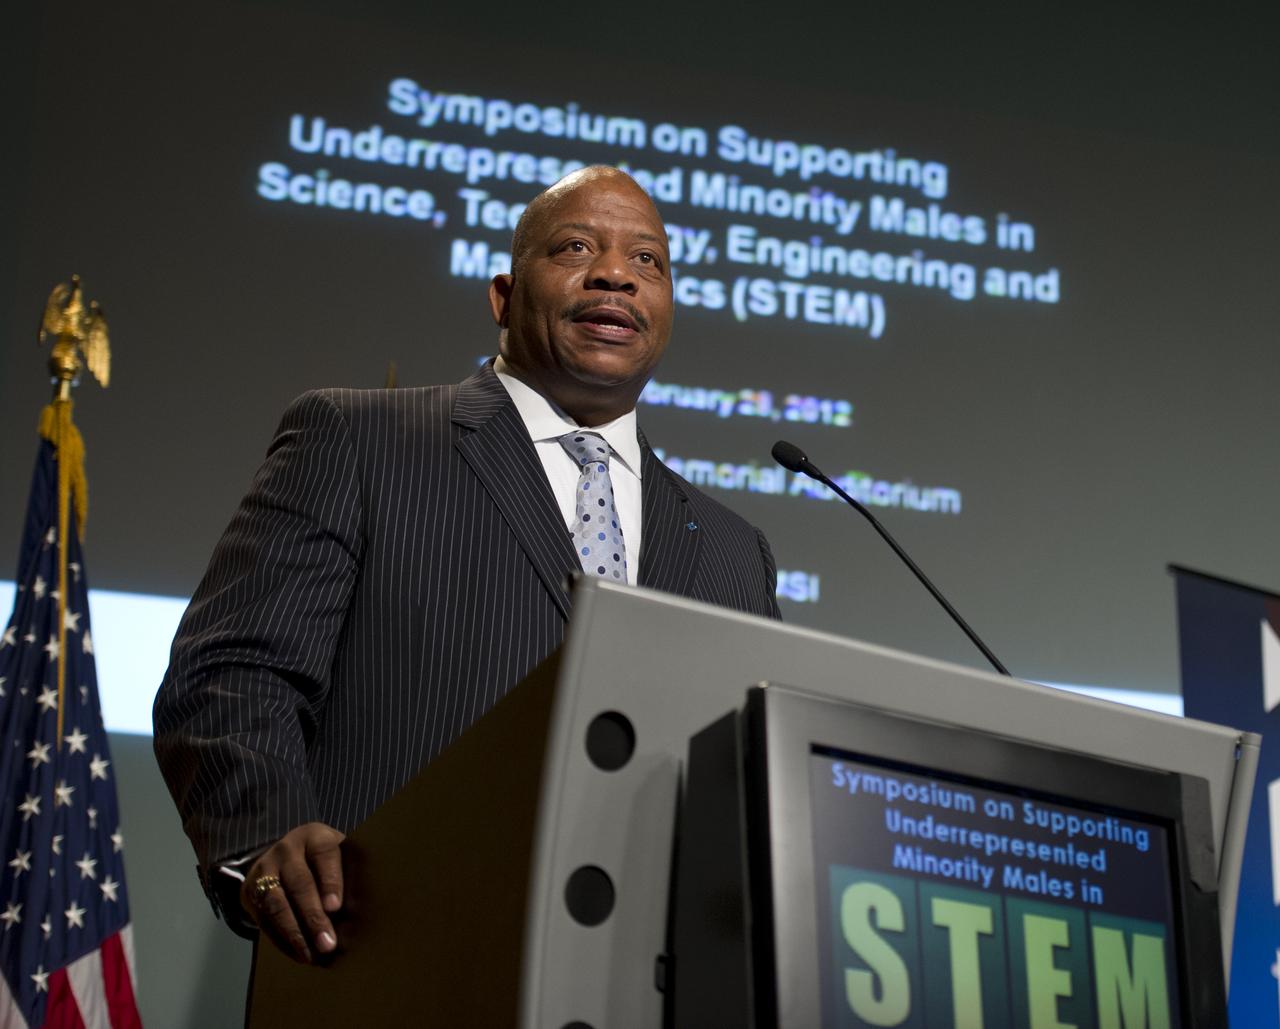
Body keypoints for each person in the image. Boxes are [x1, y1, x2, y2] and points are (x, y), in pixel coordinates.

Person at [152, 166, 781, 964]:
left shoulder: (733, 549)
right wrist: (270, 840)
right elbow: (234, 672)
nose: (616, 273)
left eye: (647, 261)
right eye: (576, 247)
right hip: (390, 960)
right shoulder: (360, 439)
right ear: (503, 296)